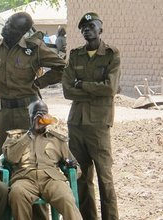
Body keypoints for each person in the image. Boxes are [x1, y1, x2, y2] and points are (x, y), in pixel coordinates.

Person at [0, 12, 66, 153]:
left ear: (22, 32)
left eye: (12, 27)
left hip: (27, 111)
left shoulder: (34, 48)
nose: (6, 27)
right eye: (7, 22)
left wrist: (40, 83)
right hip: (4, 111)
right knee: (4, 153)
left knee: (29, 152)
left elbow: (62, 67)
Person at [62, 12, 120, 220]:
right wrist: (92, 90)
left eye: (91, 25)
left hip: (98, 125)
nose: (87, 29)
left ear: (100, 29)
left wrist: (82, 84)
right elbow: (67, 90)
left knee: (105, 178)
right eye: (83, 27)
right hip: (76, 123)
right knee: (81, 177)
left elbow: (110, 88)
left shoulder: (111, 54)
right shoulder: (75, 54)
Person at [3, 99, 82, 220]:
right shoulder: (16, 137)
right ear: (30, 117)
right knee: (16, 194)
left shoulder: (56, 139)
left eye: (43, 113)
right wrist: (31, 133)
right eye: (36, 114)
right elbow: (11, 158)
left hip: (51, 179)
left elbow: (77, 169)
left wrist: (70, 167)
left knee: (66, 198)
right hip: (25, 178)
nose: (40, 117)